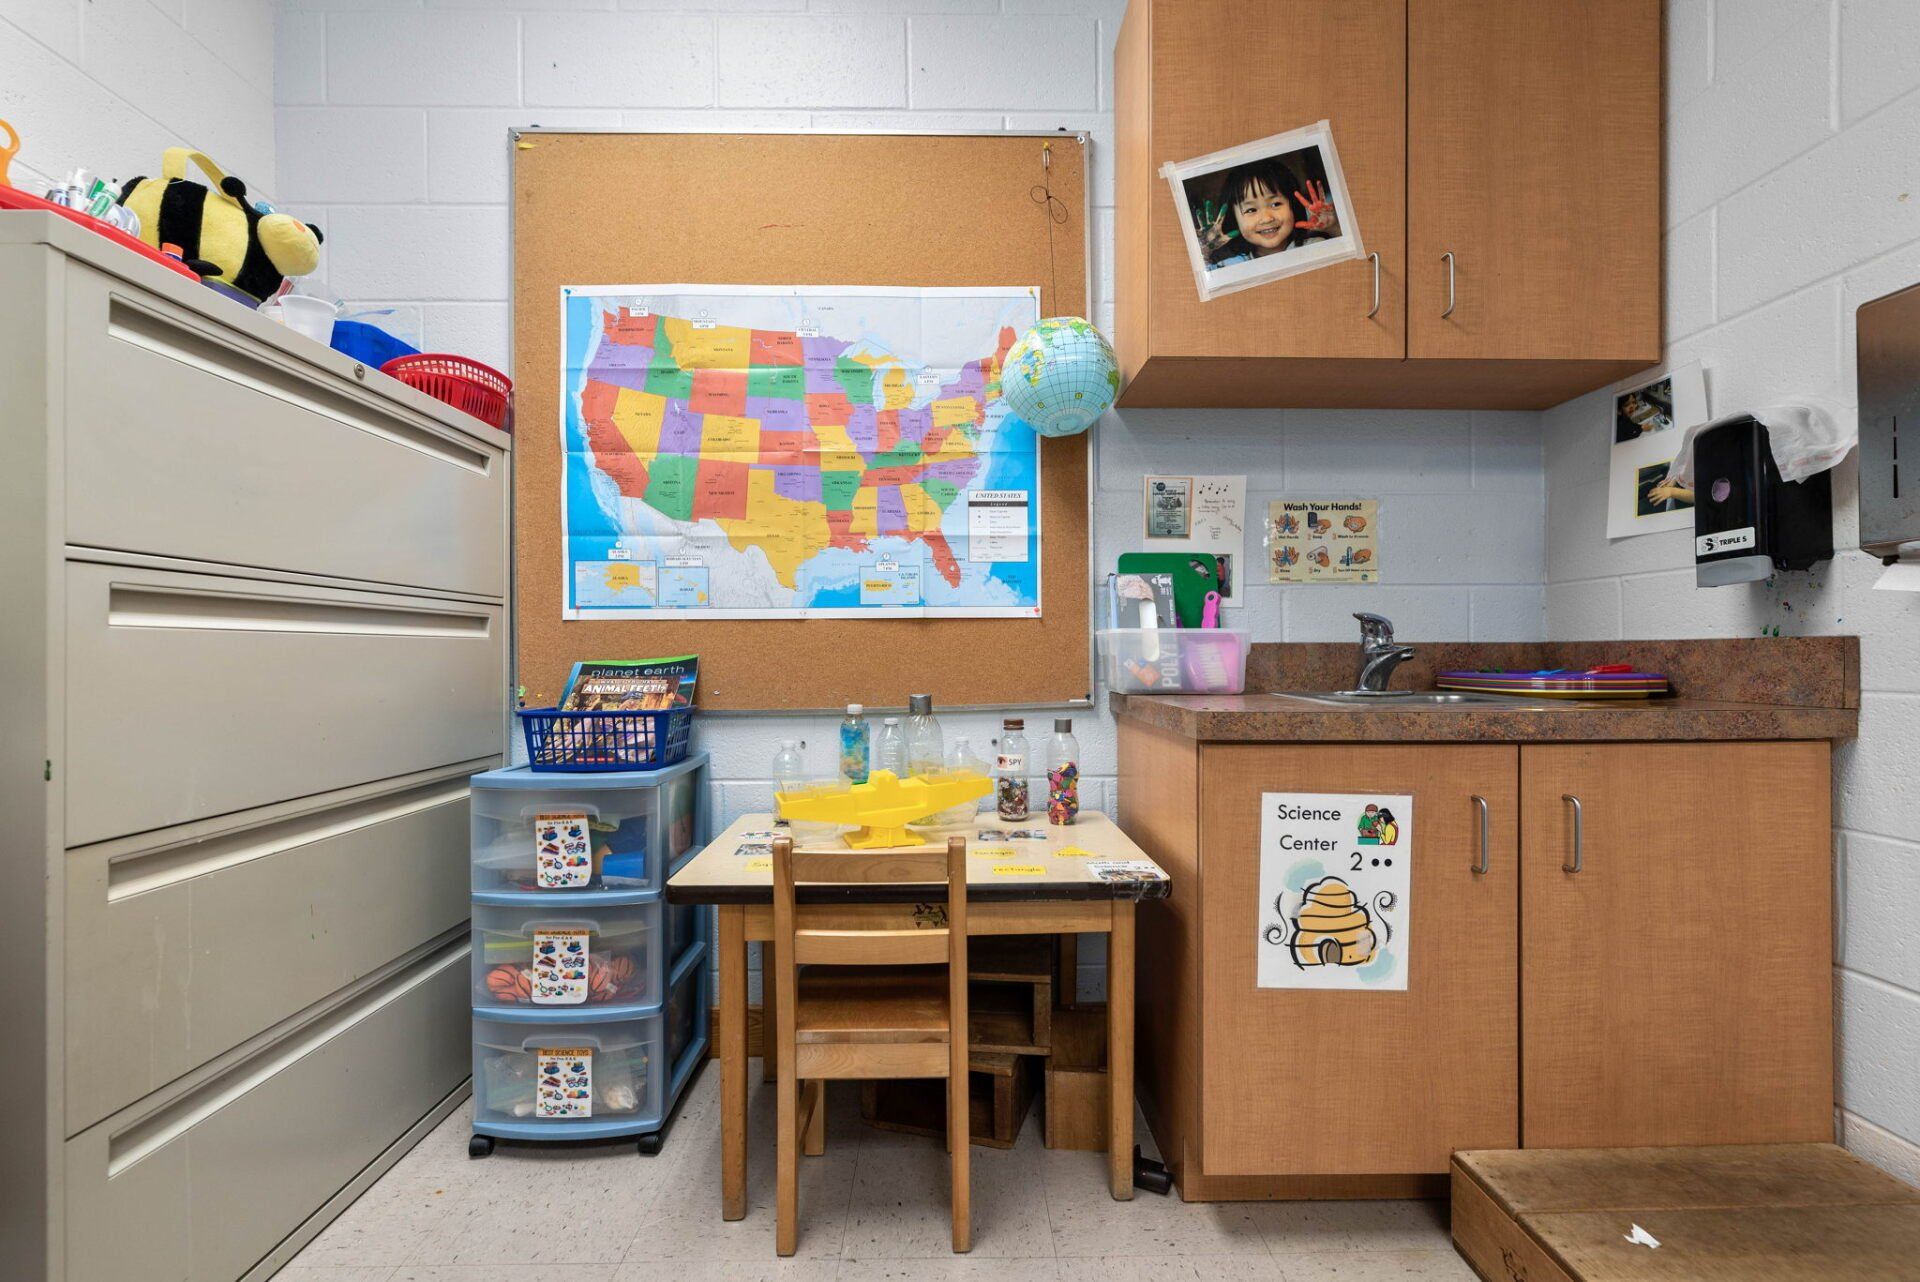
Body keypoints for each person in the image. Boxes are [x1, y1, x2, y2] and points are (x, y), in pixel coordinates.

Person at [1201, 157, 1339, 268]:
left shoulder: (1314, 247)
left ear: (1293, 206)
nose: (1267, 218)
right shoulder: (1231, 267)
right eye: (1251, 210)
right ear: (1234, 219)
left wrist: (1333, 227)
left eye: (1275, 204)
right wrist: (1204, 252)